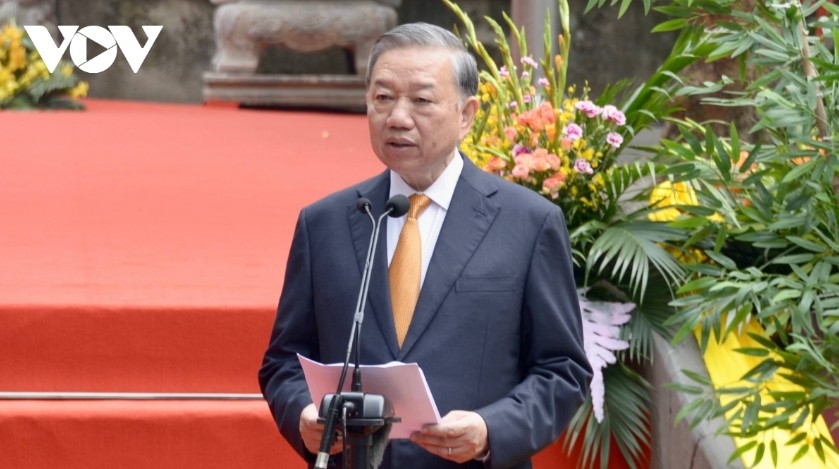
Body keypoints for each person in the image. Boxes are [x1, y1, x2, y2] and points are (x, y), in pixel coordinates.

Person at [259, 22, 591, 469]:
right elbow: (284, 361)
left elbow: (563, 369)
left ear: (467, 114)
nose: (398, 117)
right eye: (383, 98)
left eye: (421, 100)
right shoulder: (325, 224)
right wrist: (303, 413)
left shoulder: (528, 223)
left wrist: (492, 429)